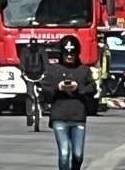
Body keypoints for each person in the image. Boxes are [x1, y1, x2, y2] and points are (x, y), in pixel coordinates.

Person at [41, 36, 96, 170]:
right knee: (64, 153)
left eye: (72, 53)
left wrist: (78, 88)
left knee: (78, 154)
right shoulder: (53, 70)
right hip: (59, 118)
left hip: (78, 118)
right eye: (66, 53)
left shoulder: (84, 70)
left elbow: (92, 88)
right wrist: (58, 88)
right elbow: (44, 89)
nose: (69, 56)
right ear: (62, 53)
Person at [20, 37, 48, 126]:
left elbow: (45, 62)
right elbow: (22, 62)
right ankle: (29, 115)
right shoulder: (25, 51)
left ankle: (44, 106)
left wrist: (45, 73)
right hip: (29, 75)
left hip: (40, 75)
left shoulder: (41, 51)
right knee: (29, 94)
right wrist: (23, 72)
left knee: (44, 91)